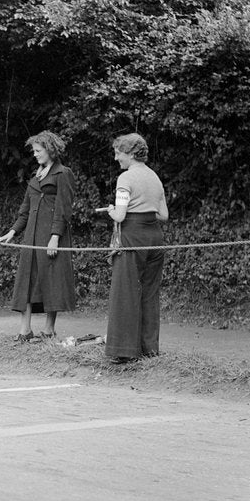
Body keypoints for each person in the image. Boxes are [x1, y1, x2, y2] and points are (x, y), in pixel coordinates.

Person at [0, 131, 77, 341]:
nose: (35, 154)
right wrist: (11, 232)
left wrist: (55, 236)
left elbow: (64, 209)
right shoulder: (35, 177)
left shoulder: (63, 173)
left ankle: (49, 330)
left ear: (50, 150)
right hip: (31, 237)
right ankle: (25, 330)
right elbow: (25, 211)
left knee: (52, 280)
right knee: (27, 281)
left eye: (38, 151)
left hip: (51, 236)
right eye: (34, 151)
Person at [102, 133, 169, 364]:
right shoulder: (154, 177)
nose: (116, 158)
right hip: (154, 237)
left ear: (130, 154)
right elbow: (163, 215)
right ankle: (149, 350)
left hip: (132, 237)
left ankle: (124, 351)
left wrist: (111, 210)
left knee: (125, 291)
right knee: (149, 293)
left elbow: (120, 215)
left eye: (118, 153)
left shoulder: (125, 178)